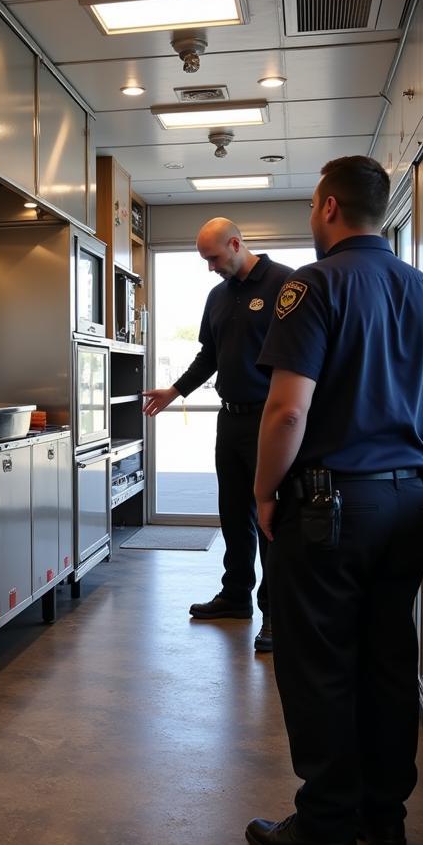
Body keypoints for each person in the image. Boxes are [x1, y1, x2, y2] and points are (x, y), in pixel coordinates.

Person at [246, 156, 423, 845]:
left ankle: (327, 827)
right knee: (388, 661)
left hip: (326, 507)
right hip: (405, 502)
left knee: (321, 667)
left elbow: (287, 409)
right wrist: (401, 470)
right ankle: (384, 818)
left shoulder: (315, 286)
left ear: (329, 206)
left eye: (314, 207)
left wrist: (264, 493)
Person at [142, 218, 291, 652]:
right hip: (231, 419)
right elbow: (211, 354)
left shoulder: (286, 284)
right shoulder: (218, 296)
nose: (210, 267)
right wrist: (175, 390)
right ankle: (236, 595)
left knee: (271, 519)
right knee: (234, 512)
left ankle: (274, 614)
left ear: (236, 243)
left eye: (214, 258)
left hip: (270, 417)